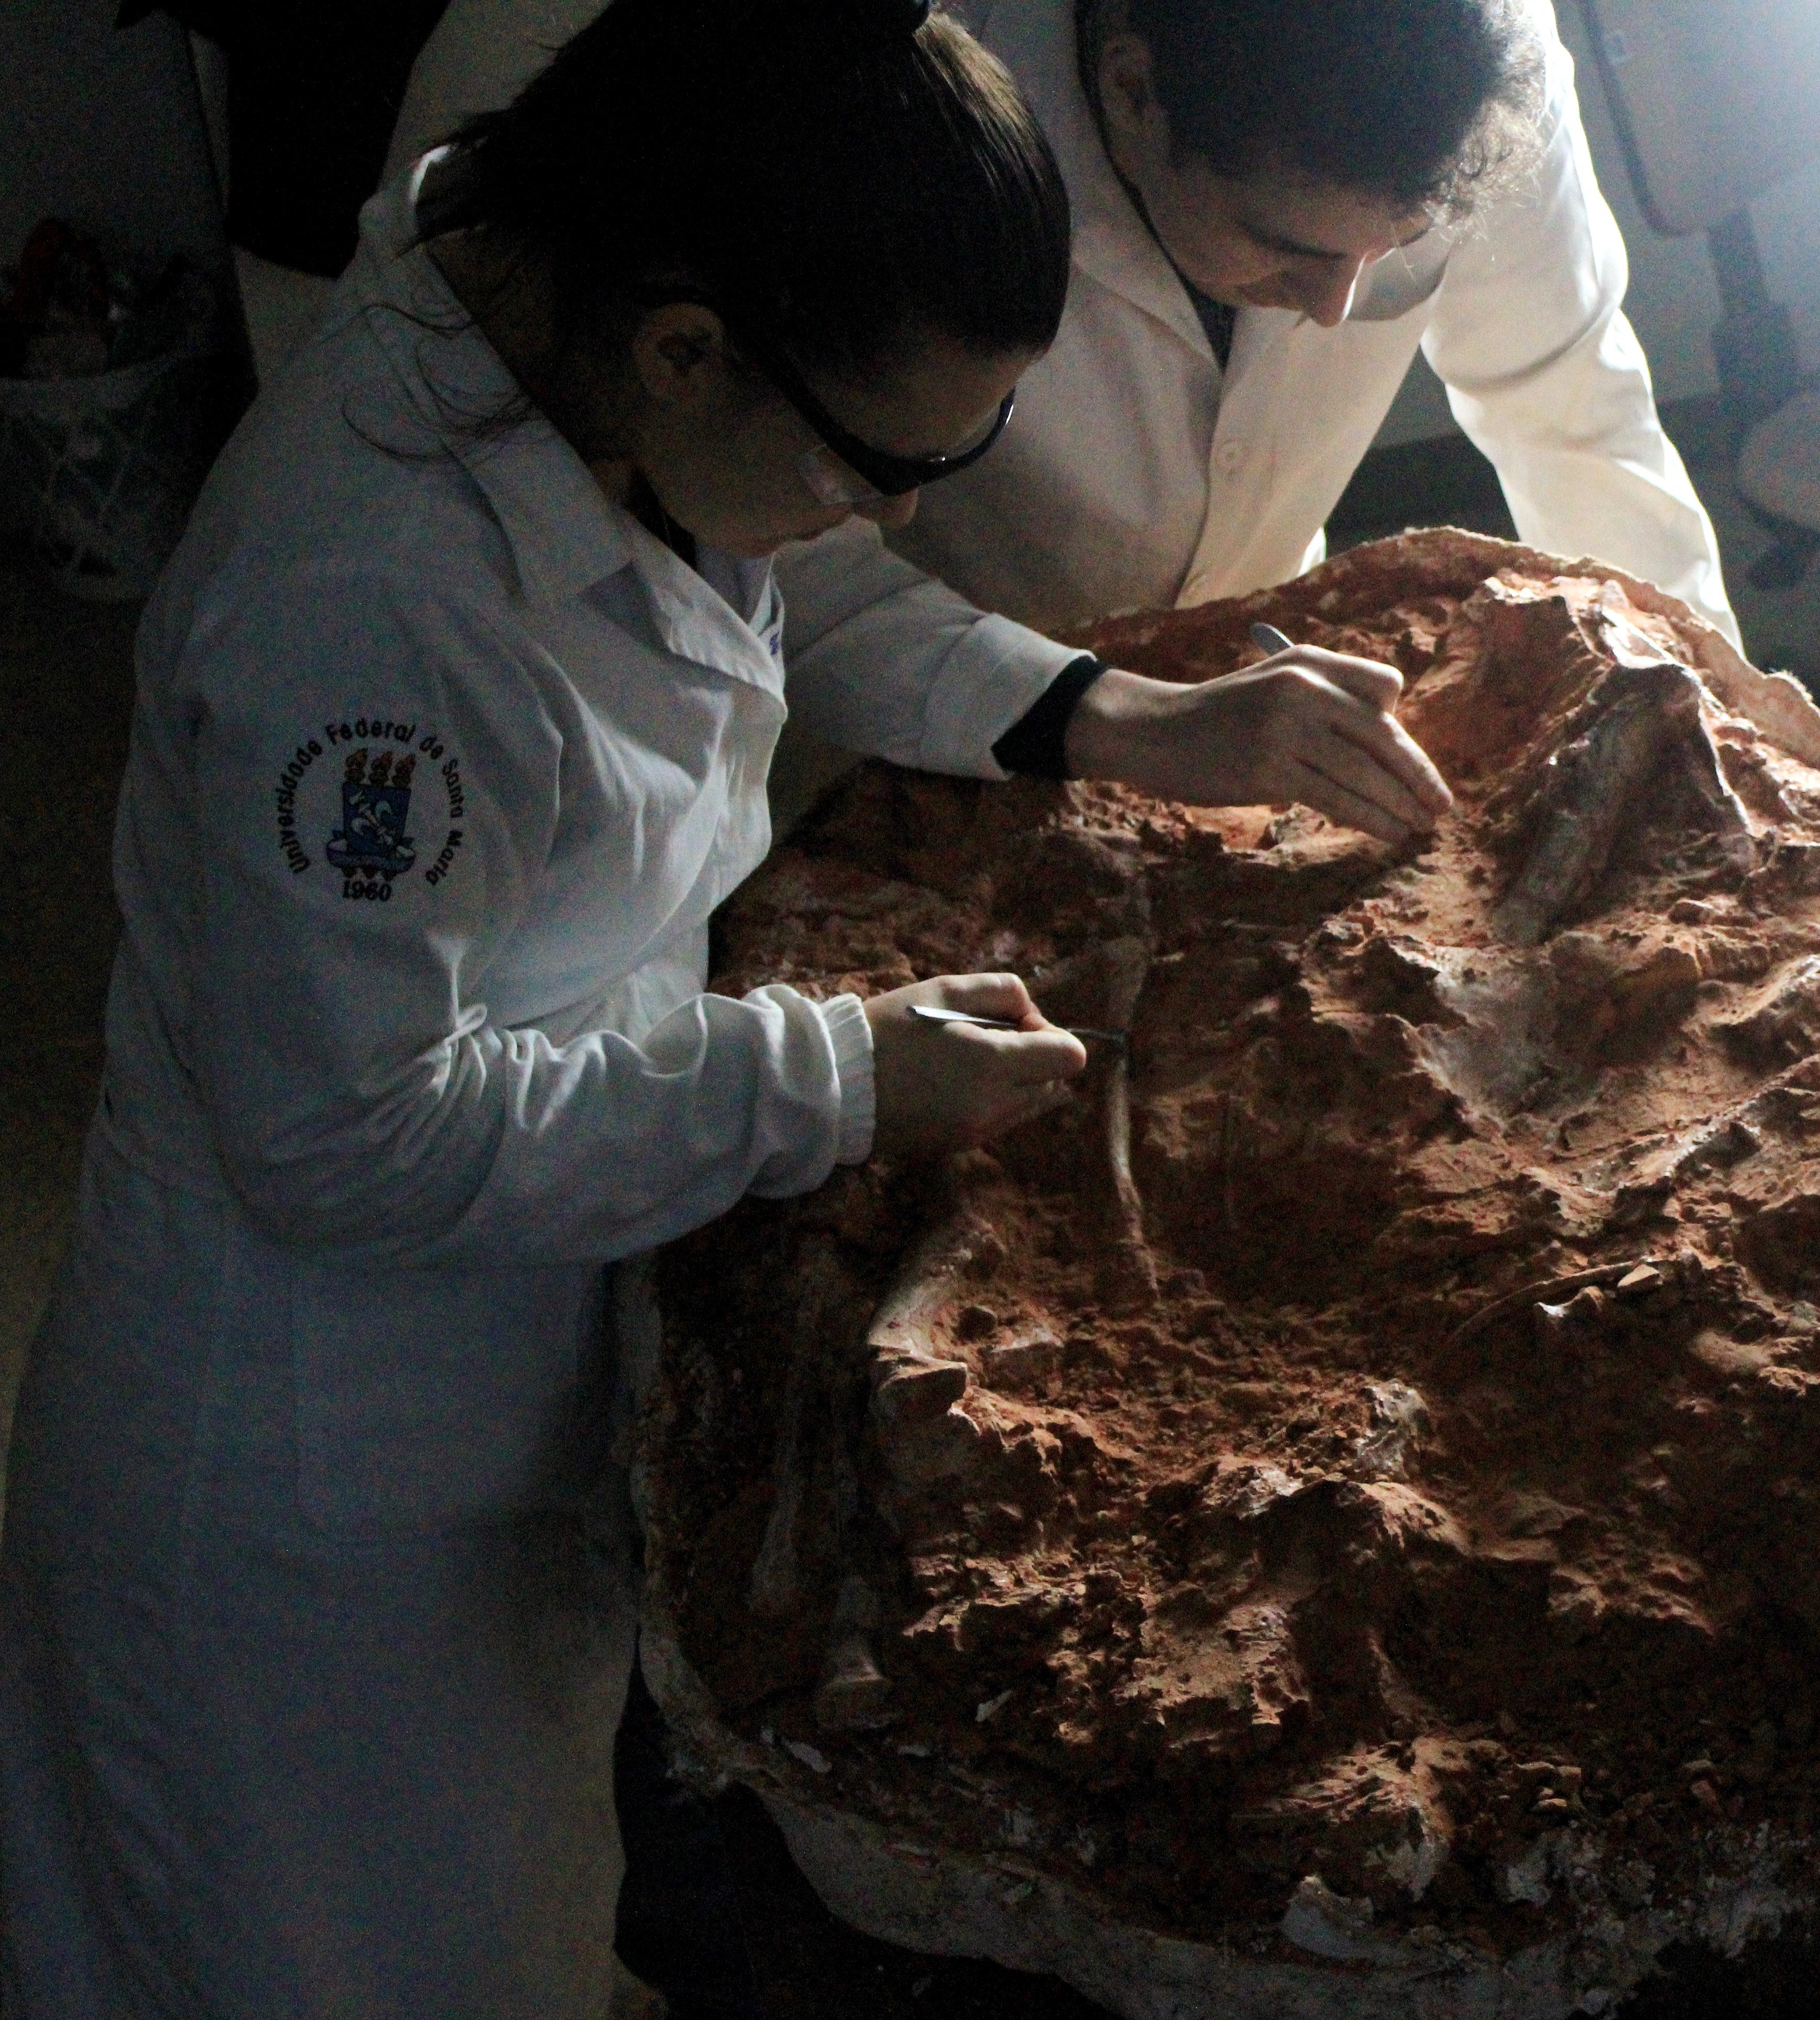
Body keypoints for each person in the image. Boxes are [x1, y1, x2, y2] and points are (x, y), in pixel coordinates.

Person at [0, 1, 1446, 2012]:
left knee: (507, 1915)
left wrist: (1093, 720)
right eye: (883, 466)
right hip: (307, 1488)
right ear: (688, 349)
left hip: (491, 1375)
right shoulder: (365, 621)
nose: (894, 519)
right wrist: (828, 1077)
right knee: (323, 1958)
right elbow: (348, 1135)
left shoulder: (563, 315)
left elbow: (751, 598)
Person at [382, 0, 1742, 784]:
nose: (1340, 308)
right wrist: (1089, 713)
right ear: (1133, 91)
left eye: (1385, 263)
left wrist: (1710, 720)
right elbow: (725, 499)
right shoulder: (875, 93)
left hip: (1258, 681)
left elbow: (1576, 412)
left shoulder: (1474, 56)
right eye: (1288, 248)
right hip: (894, 706)